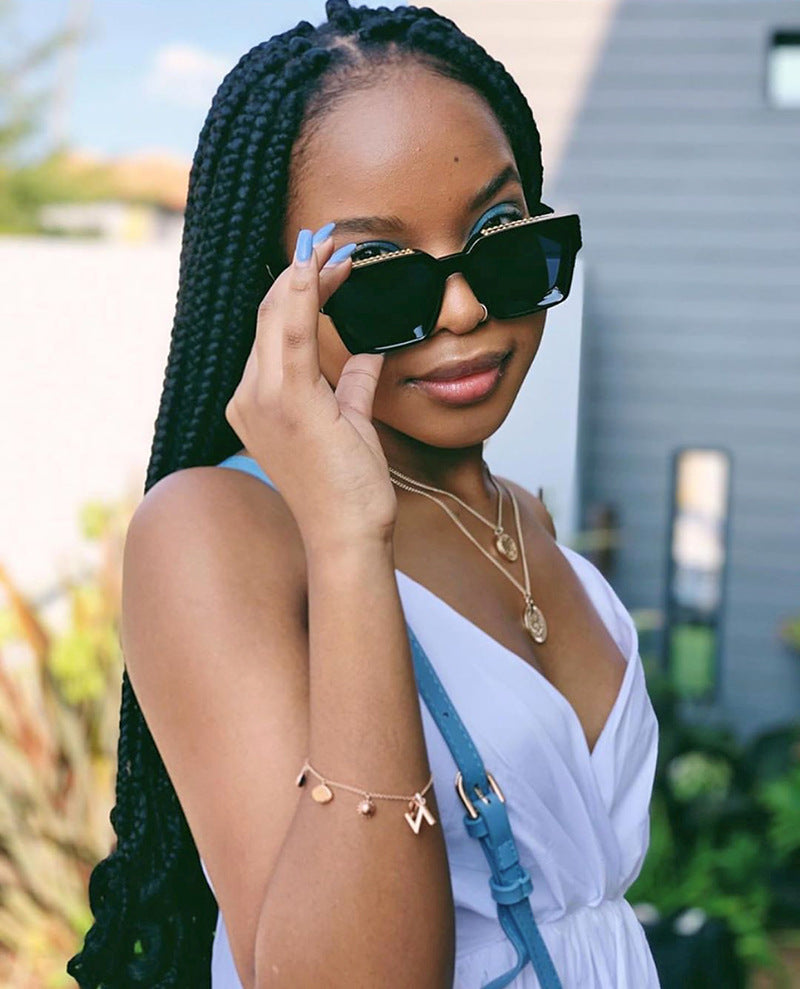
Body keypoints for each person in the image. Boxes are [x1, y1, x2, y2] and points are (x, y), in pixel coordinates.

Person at [67, 1, 660, 986]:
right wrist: (347, 538)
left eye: (501, 235)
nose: (466, 306)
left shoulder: (525, 516)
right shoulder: (219, 532)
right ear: (276, 294)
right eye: (381, 271)